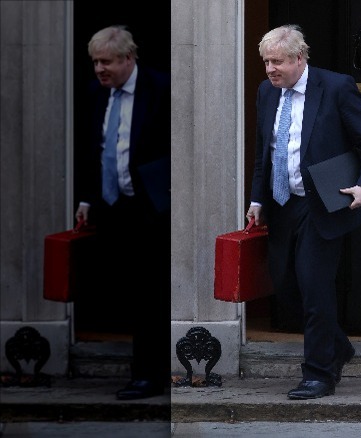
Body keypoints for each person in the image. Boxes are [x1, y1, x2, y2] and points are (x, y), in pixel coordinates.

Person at [246, 24, 361, 400]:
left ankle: (319, 374)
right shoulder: (266, 92)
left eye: (277, 62)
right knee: (284, 285)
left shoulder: (336, 87)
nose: (270, 69)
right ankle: (338, 346)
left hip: (320, 203)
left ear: (299, 58)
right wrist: (257, 200)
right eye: (266, 62)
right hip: (280, 204)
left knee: (315, 287)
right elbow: (265, 152)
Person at [75, 25, 171, 400]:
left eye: (107, 62)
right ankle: (142, 368)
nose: (100, 69)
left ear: (129, 58)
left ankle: (148, 375)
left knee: (149, 293)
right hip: (112, 209)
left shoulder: (161, 89)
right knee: (125, 290)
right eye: (95, 62)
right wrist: (86, 199)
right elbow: (92, 150)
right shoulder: (96, 93)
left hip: (151, 209)